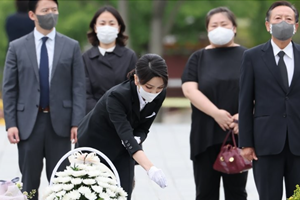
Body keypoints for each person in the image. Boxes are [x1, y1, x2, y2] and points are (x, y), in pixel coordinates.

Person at [2, 0, 86, 199]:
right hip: (27, 124)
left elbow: (79, 87)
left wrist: (77, 122)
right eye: (45, 10)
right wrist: (11, 123)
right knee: (29, 182)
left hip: (61, 124)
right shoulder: (17, 47)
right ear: (32, 15)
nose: (51, 13)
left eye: (54, 10)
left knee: (61, 182)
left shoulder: (71, 46)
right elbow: (9, 88)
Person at [77, 53, 168, 199]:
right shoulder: (117, 96)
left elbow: (144, 127)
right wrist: (150, 168)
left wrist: (138, 137)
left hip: (124, 147)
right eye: (149, 87)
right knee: (94, 193)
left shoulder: (160, 94)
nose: (153, 93)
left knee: (123, 192)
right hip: (95, 144)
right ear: (137, 79)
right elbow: (125, 134)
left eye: (159, 88)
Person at [181, 7, 248, 200]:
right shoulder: (198, 58)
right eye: (214, 25)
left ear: (234, 28)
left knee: (237, 193)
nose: (219, 28)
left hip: (237, 134)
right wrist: (216, 113)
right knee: (205, 192)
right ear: (208, 30)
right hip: (205, 134)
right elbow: (189, 90)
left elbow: (259, 91)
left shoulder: (248, 56)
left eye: (224, 24)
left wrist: (243, 116)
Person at [239, 1, 300, 199]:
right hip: (265, 144)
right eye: (278, 18)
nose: (283, 22)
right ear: (268, 25)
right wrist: (246, 143)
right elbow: (245, 101)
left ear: (296, 26)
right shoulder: (252, 56)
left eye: (288, 19)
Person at [84, 5, 137, 113]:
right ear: (95, 27)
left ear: (119, 27)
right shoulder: (85, 58)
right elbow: (85, 94)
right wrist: (100, 113)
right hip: (94, 118)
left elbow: (134, 90)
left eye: (111, 23)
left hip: (122, 117)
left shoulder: (129, 56)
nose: (107, 27)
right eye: (102, 23)